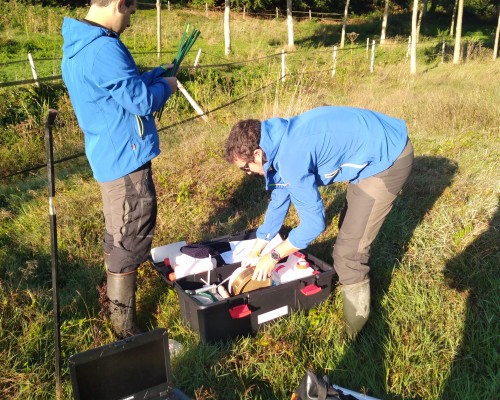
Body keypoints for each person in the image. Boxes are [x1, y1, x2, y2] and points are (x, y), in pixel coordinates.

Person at [224, 106, 414, 339]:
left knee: (348, 253)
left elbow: (314, 225)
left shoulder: (291, 156)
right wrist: (258, 247)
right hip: (371, 144)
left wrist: (274, 256)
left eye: (246, 168)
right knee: (349, 228)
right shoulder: (276, 139)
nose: (248, 174)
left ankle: (353, 334)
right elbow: (280, 197)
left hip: (389, 158)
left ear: (256, 154)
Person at [61, 0, 178, 338]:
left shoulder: (79, 44)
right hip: (126, 163)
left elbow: (119, 91)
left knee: (117, 233)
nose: (130, 18)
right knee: (132, 239)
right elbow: (141, 102)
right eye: (131, 9)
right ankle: (125, 331)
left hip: (108, 156)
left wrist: (151, 76)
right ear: (117, 3)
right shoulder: (104, 49)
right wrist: (166, 88)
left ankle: (112, 311)